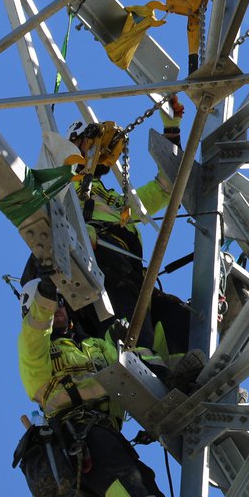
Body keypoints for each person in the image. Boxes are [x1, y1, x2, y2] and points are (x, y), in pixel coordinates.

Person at [16, 275, 249, 497]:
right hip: (76, 439)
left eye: (60, 303)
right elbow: (36, 329)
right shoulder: (36, 355)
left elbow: (128, 363)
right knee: (124, 477)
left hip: (104, 435)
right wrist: (46, 294)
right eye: (51, 306)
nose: (58, 310)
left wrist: (154, 367)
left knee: (142, 486)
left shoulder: (94, 347)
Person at [49, 97, 193, 362]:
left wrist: (172, 129)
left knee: (178, 316)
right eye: (85, 141)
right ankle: (145, 367)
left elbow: (166, 186)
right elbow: (48, 220)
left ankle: (189, 372)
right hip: (101, 274)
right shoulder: (62, 188)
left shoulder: (117, 201)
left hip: (133, 277)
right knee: (132, 334)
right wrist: (80, 235)